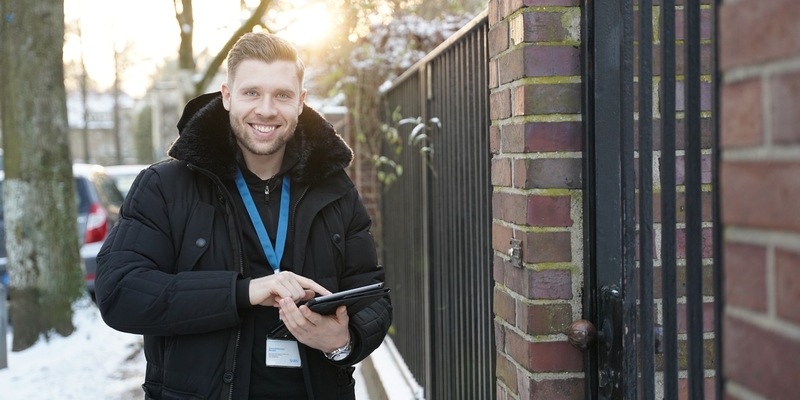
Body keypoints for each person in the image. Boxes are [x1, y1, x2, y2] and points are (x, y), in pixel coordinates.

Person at [95, 32, 392, 400]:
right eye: (252, 92)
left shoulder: (334, 189)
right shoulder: (164, 186)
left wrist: (342, 341)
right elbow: (120, 293)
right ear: (227, 96)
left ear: (300, 102)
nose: (266, 109)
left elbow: (373, 296)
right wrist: (243, 291)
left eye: (282, 95)